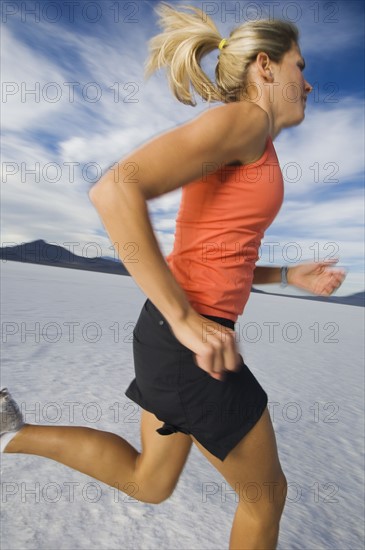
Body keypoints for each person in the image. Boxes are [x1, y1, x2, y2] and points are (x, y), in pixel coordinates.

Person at [1, 3, 346, 549]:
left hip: (173, 339)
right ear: (266, 66)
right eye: (299, 67)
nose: (307, 83)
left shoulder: (255, 140)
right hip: (189, 344)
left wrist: (287, 276)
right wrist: (183, 317)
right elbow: (114, 188)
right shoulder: (245, 120)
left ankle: (8, 435)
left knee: (150, 481)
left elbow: (218, 258)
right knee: (266, 499)